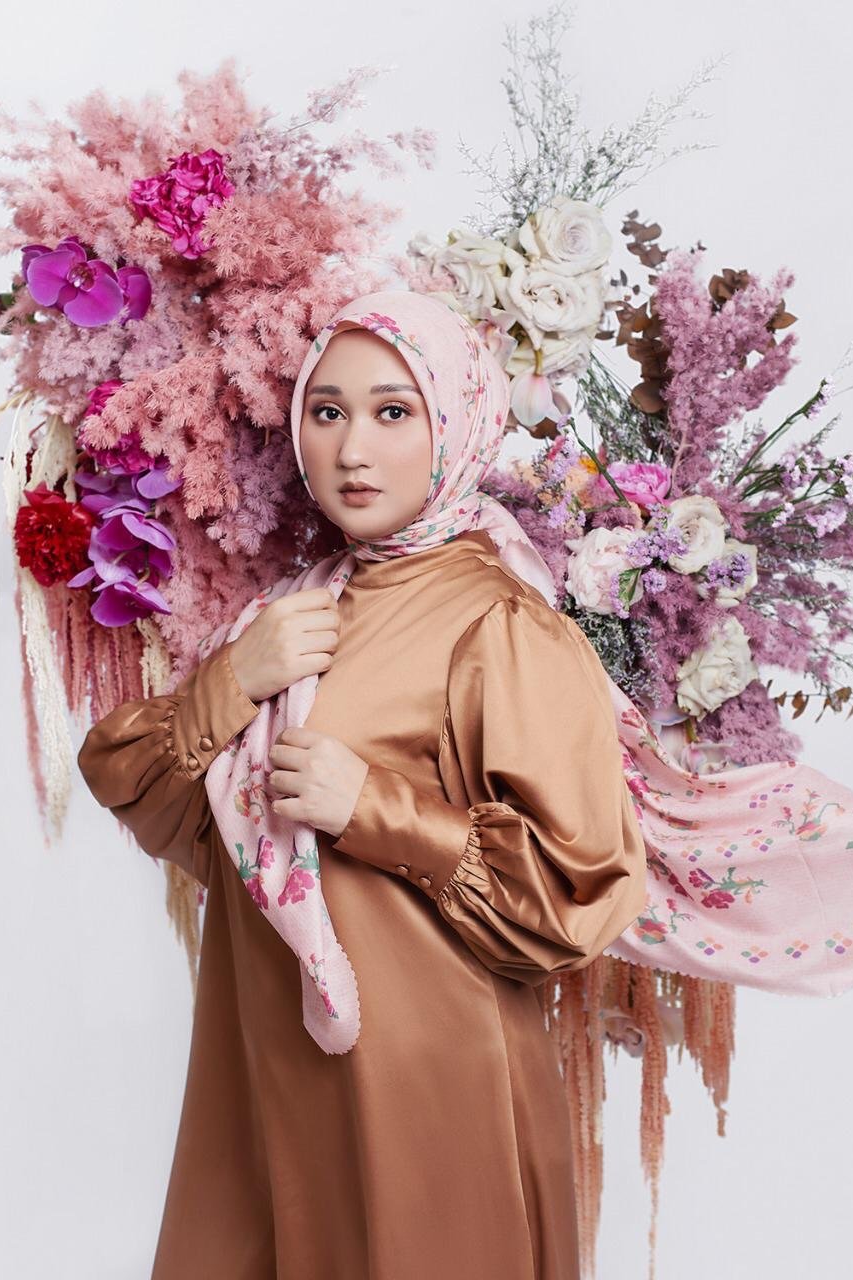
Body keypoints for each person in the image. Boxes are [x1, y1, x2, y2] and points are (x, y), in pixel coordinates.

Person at [77, 289, 649, 1280]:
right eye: (327, 410)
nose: (352, 449)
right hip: (265, 1077)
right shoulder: (286, 613)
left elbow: (577, 892)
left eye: (392, 411)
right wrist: (232, 679)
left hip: (432, 1088)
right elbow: (150, 797)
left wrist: (374, 811)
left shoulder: (501, 624)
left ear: (455, 422)